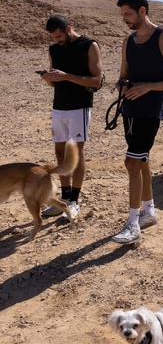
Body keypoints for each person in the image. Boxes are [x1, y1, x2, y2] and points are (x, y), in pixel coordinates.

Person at [111, 0, 163, 245]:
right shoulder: (128, 42)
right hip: (129, 111)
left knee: (132, 162)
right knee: (141, 161)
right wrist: (122, 86)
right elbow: (122, 75)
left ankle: (132, 225)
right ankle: (149, 211)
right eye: (123, 15)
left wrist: (147, 87)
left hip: (150, 111)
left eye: (128, 14)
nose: (125, 19)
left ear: (142, 11)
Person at [41, 14, 103, 219]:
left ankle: (74, 201)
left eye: (59, 36)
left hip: (80, 106)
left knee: (75, 153)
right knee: (60, 153)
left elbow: (96, 81)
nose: (57, 41)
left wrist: (66, 76)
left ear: (69, 28)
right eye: (53, 38)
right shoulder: (54, 49)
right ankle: (64, 199)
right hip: (59, 106)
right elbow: (54, 81)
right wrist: (49, 79)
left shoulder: (89, 45)